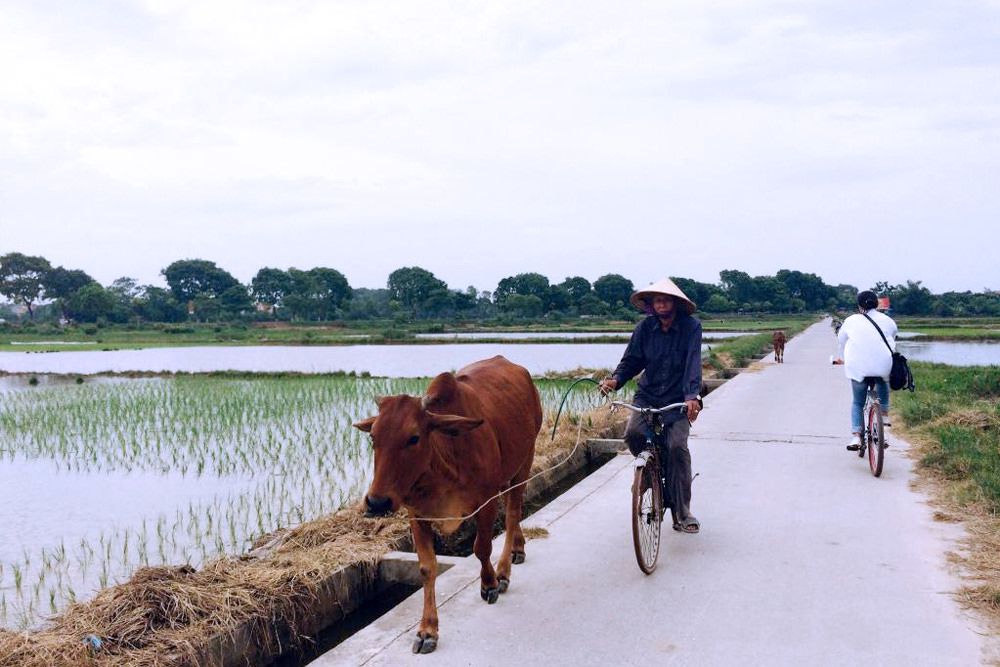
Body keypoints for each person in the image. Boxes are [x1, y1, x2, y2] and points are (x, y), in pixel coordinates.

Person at [599, 278, 703, 534]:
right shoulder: (644, 329)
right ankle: (648, 475)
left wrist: (692, 396)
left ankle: (682, 511)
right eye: (657, 300)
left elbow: (693, 363)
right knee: (632, 434)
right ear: (651, 305)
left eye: (666, 300)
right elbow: (632, 360)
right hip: (647, 395)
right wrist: (615, 380)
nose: (662, 304)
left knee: (677, 447)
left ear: (676, 304)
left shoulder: (691, 327)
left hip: (678, 398)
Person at [832, 290, 897, 451]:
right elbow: (894, 337)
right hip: (883, 366)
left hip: (858, 367)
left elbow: (841, 340)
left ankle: (856, 436)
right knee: (882, 382)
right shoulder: (888, 320)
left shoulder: (852, 320)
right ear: (877, 304)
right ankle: (885, 421)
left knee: (858, 402)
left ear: (859, 306)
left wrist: (840, 357)